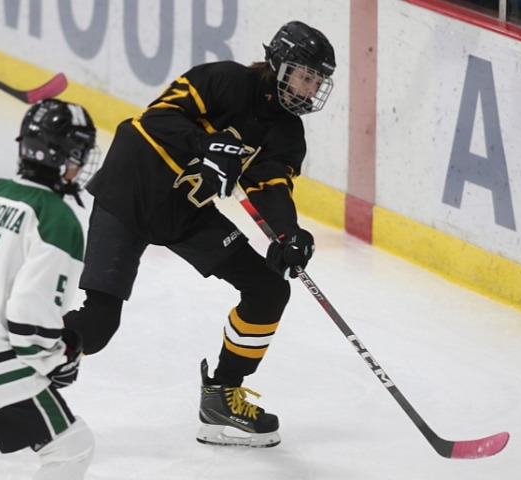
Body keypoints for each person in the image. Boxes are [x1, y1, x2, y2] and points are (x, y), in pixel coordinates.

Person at [63, 20, 336, 448]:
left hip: (185, 211)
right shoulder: (225, 80)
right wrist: (205, 144)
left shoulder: (286, 132)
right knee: (97, 326)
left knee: (267, 289)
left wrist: (288, 234)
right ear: (280, 65)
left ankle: (221, 398)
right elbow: (158, 118)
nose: (310, 89)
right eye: (306, 77)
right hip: (130, 192)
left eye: (317, 82)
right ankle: (4, 377)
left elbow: (270, 185)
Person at [0, 99, 98, 478]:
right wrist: (56, 357)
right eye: (79, 152)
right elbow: (28, 317)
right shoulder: (56, 219)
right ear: (63, 156)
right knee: (72, 448)